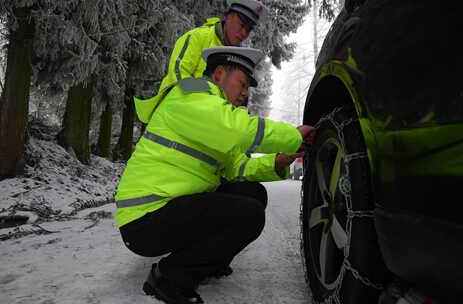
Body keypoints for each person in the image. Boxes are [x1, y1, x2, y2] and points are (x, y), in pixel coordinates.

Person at [115, 46, 315, 304]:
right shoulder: (191, 98)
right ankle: (170, 277)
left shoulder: (212, 114)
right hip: (144, 219)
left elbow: (237, 169)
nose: (245, 94)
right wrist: (293, 136)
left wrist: (277, 161)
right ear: (219, 74)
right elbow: (237, 130)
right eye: (242, 84)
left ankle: (206, 263)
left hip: (168, 208)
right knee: (249, 215)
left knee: (253, 193)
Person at [135, 0, 268, 124]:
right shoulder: (198, 37)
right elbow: (178, 76)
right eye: (242, 25)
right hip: (173, 118)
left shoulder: (237, 59)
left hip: (205, 123)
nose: (244, 33)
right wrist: (209, 103)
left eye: (249, 29)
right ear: (227, 17)